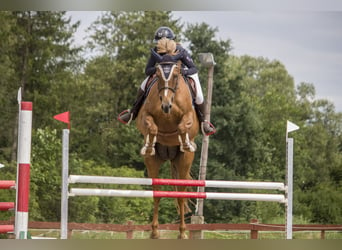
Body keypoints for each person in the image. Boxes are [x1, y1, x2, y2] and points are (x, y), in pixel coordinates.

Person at [118, 26, 216, 136]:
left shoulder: (181, 50)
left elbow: (193, 68)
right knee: (143, 85)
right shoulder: (156, 51)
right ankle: (132, 112)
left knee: (198, 95)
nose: (161, 44)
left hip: (182, 74)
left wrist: (183, 71)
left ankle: (204, 122)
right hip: (161, 76)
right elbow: (147, 70)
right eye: (159, 42)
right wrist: (158, 69)